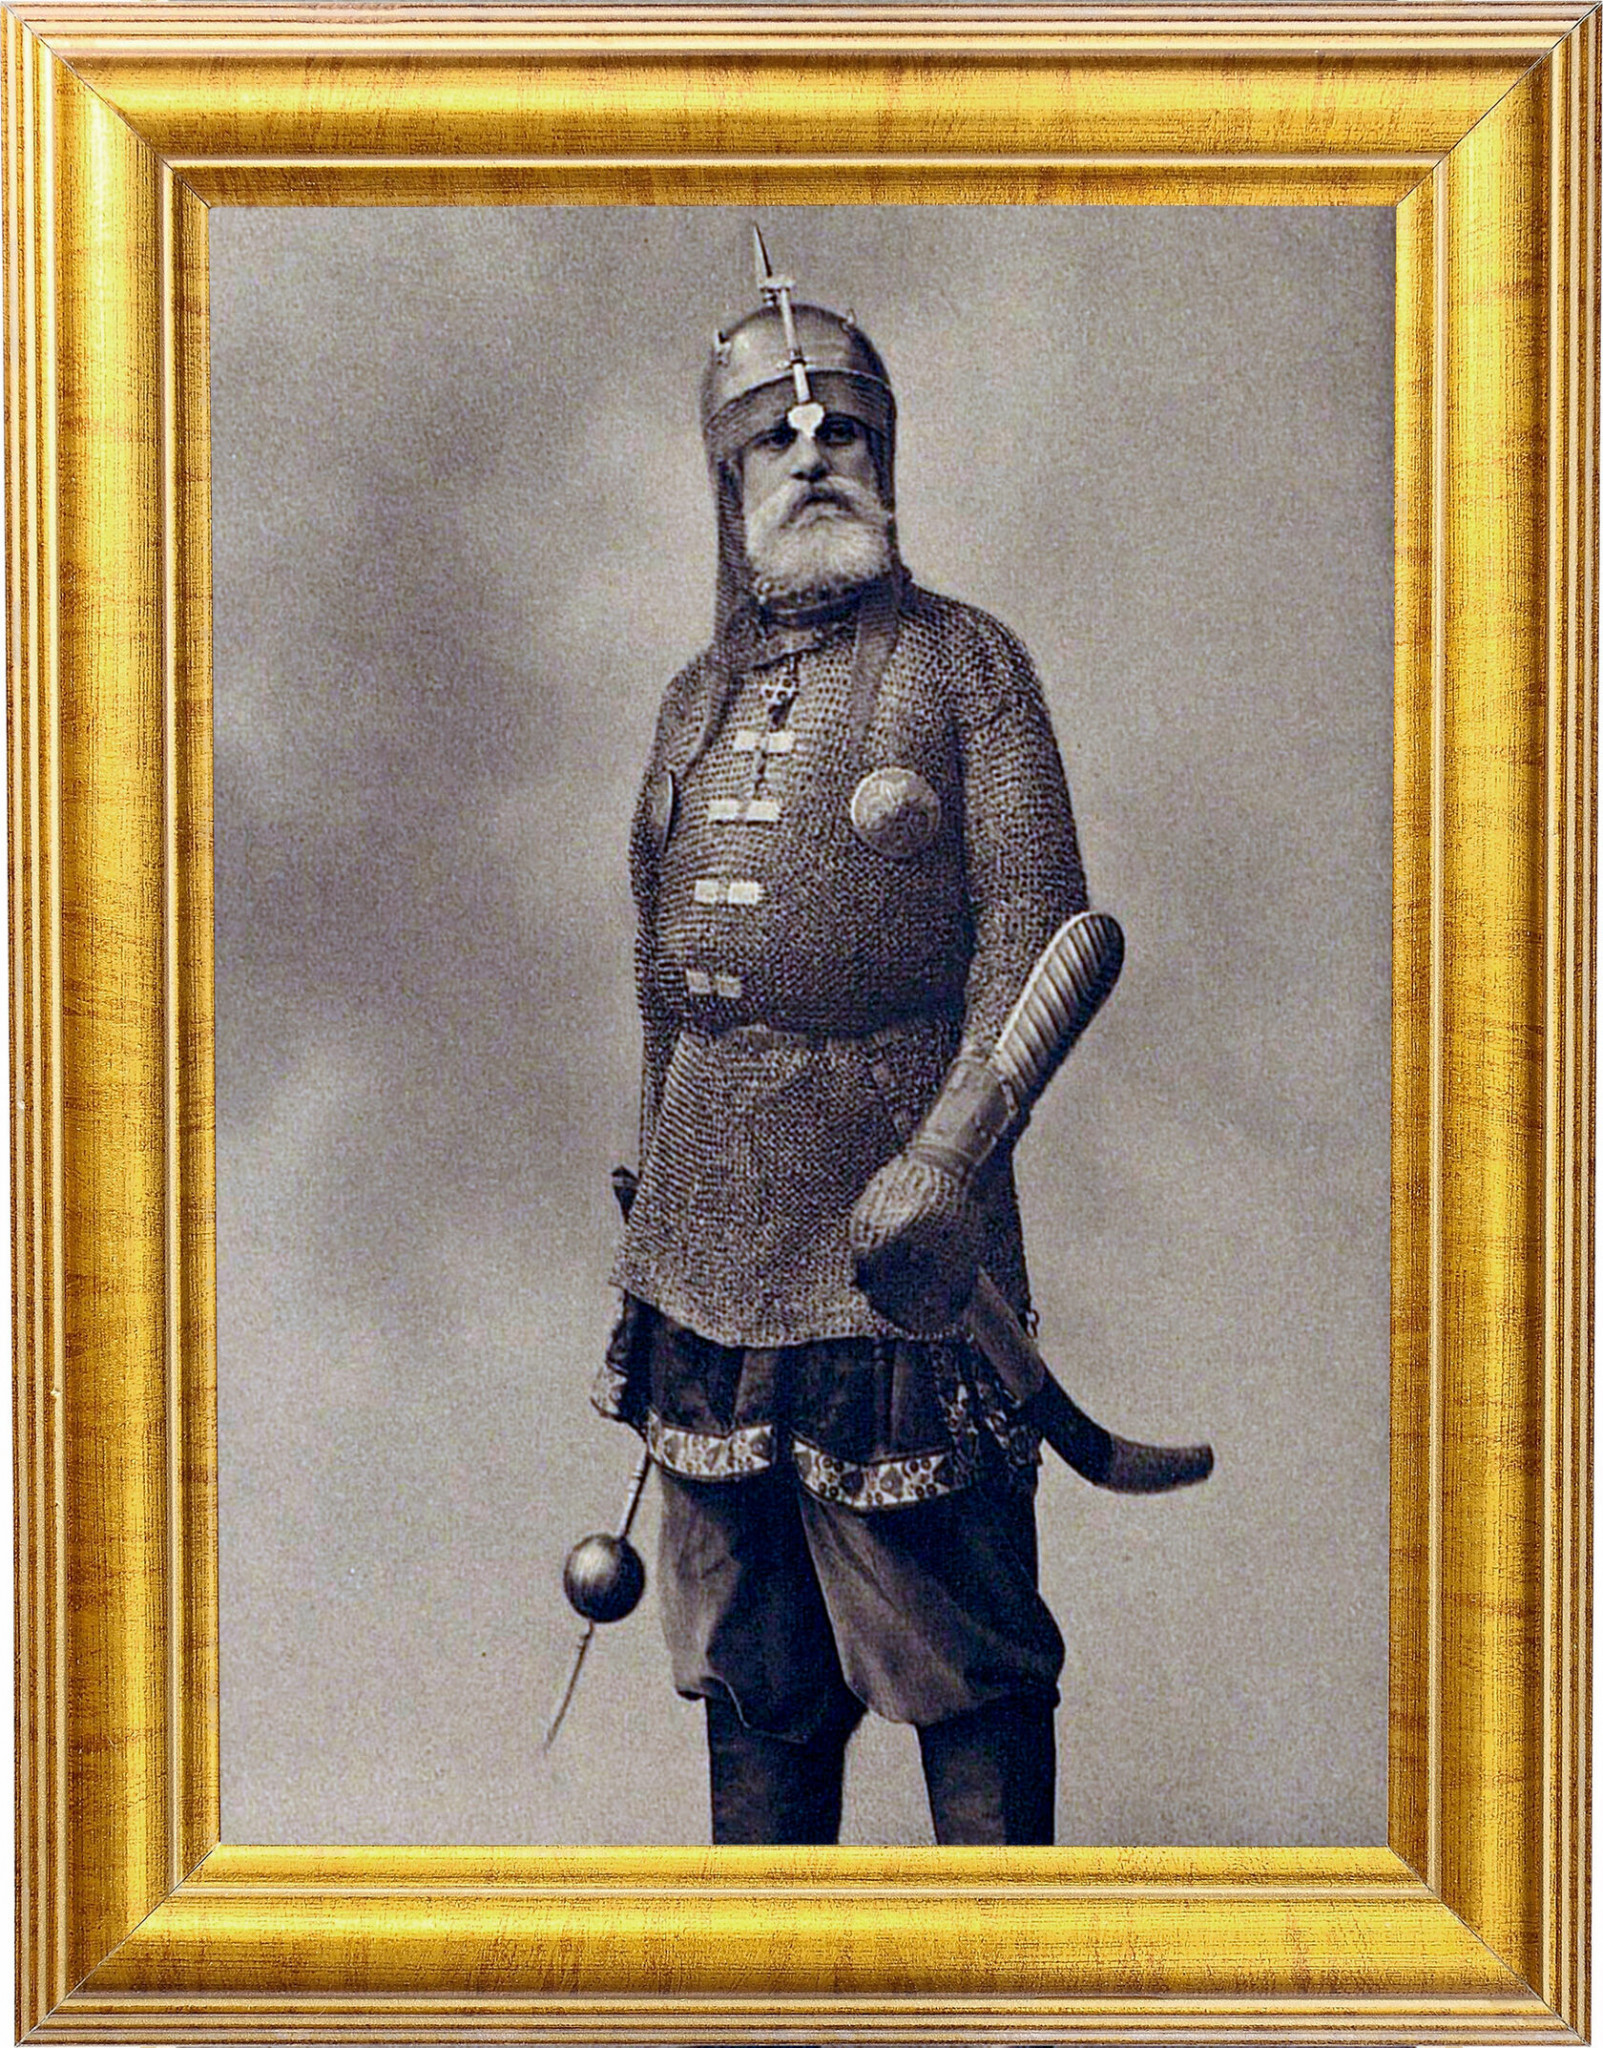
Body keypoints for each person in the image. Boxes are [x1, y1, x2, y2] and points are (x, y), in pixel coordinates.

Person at [594, 235, 1091, 1847]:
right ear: (728, 483)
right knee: (753, 1672)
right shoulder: (692, 700)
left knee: (965, 1660)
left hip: (901, 1245)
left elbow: (1041, 938)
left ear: (886, 459)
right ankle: (773, 1967)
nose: (815, 457)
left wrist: (948, 1158)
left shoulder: (967, 665)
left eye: (846, 433)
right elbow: (663, 985)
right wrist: (653, 1195)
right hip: (702, 1260)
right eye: (777, 439)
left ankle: (1000, 1972)